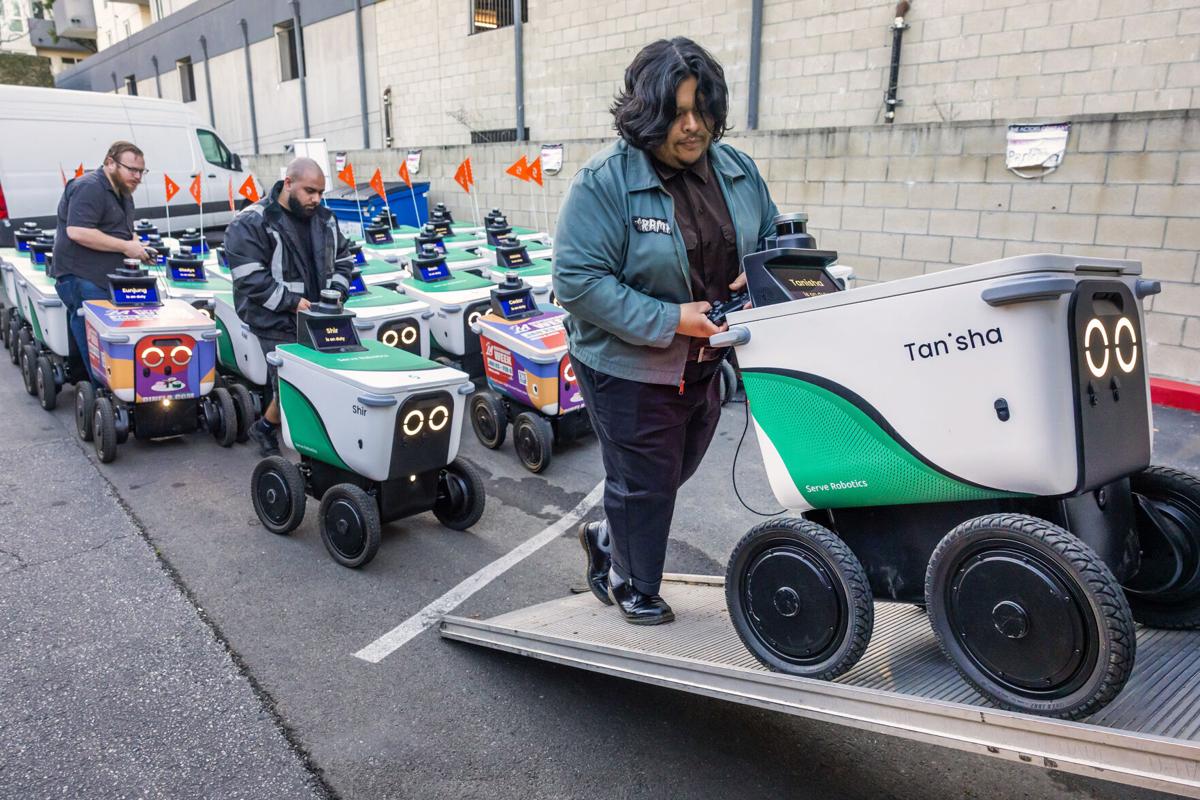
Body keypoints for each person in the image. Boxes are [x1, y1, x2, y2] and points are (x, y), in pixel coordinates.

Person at [553, 38, 779, 625]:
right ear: (645, 113)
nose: (692, 126)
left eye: (702, 110)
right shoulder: (604, 182)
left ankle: (608, 535)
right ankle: (632, 582)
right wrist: (671, 318)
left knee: (670, 471)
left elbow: (773, 233)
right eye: (676, 113)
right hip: (627, 367)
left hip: (706, 360)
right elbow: (576, 281)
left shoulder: (736, 169)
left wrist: (757, 272)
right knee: (646, 480)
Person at [225, 157, 355, 457]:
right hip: (273, 318)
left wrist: (336, 292)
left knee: (317, 377)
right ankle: (288, 440)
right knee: (289, 381)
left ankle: (270, 428)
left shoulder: (325, 218)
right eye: (310, 191)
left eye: (321, 192)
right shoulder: (252, 221)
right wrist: (291, 302)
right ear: (288, 183)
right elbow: (249, 277)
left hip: (317, 315)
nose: (316, 199)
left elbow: (345, 259)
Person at [52, 141, 155, 379]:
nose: (137, 176)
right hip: (81, 275)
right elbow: (77, 231)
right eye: (132, 170)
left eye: (141, 171)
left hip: (106, 276)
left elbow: (124, 232)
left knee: (97, 333)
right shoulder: (89, 187)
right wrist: (126, 247)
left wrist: (139, 248)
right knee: (95, 336)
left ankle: (82, 380)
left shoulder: (124, 191)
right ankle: (101, 392)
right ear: (109, 163)